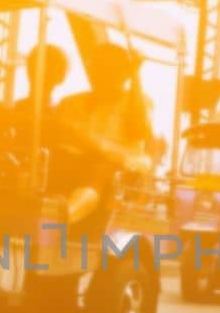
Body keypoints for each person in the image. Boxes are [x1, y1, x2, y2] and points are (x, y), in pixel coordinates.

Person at [53, 41, 154, 221]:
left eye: (112, 68)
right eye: (99, 66)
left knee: (98, 171)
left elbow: (141, 131)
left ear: (125, 73)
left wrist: (136, 75)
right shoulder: (71, 102)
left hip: (116, 170)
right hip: (75, 160)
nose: (104, 73)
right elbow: (61, 133)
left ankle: (65, 215)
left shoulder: (137, 102)